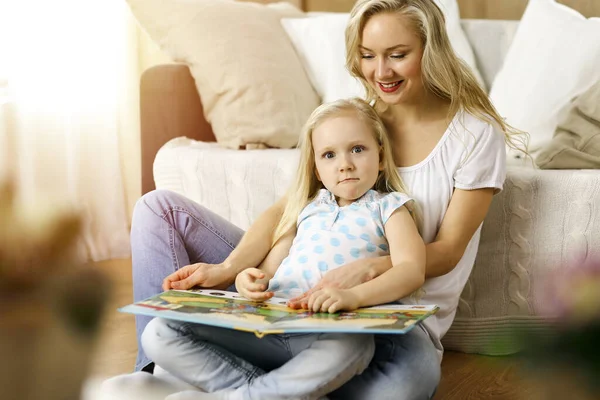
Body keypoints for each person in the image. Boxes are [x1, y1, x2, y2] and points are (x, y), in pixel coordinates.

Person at [129, 0, 524, 398]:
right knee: (158, 210)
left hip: (385, 315)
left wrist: (368, 270)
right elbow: (291, 210)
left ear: (430, 49)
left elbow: (449, 250)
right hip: (293, 290)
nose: (380, 72)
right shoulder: (357, 122)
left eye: (398, 55)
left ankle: (251, 382)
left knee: (407, 385)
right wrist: (230, 269)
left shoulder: (473, 134)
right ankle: (156, 374)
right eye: (368, 56)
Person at [140, 98, 426, 400]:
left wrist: (352, 296)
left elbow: (411, 270)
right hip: (273, 326)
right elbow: (265, 274)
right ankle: (274, 391)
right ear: (316, 169)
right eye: (329, 155)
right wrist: (245, 280)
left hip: (330, 332)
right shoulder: (307, 210)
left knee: (356, 345)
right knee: (159, 331)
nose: (345, 164)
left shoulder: (390, 208)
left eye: (357, 149)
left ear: (381, 157)